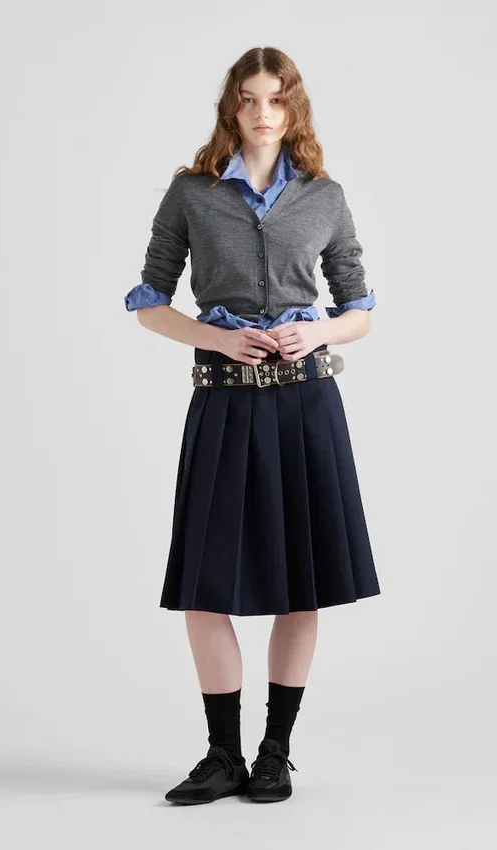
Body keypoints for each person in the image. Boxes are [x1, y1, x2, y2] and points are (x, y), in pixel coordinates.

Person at [123, 46, 381, 805]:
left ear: (293, 107)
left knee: (301, 587)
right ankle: (221, 756)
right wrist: (216, 337)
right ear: (230, 108)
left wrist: (319, 331)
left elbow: (360, 310)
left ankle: (274, 754)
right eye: (248, 99)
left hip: (306, 405)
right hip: (225, 402)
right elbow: (148, 303)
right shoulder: (191, 194)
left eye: (276, 98)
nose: (263, 113)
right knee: (206, 585)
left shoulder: (325, 197)